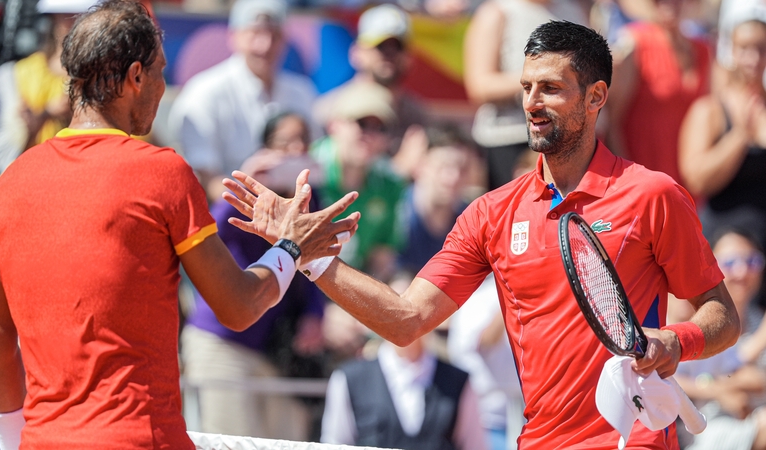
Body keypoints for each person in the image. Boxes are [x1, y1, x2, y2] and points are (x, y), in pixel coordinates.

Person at [225, 20, 741, 449]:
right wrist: (307, 256)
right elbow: (407, 321)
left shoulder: (653, 194)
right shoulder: (490, 213)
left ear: (596, 96)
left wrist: (676, 340)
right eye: (525, 88)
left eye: (551, 88)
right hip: (538, 441)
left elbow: (721, 312)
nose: (532, 103)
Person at [0, 2, 359, 449]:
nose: (162, 87)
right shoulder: (162, 172)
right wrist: (292, 248)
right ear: (136, 76)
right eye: (160, 71)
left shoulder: (8, 184)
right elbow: (237, 306)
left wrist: (10, 440)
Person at [180, 112, 324, 441]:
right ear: (266, 148)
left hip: (277, 346)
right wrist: (247, 181)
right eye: (285, 142)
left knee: (286, 442)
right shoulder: (248, 192)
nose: (296, 149)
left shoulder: (309, 199)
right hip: (223, 340)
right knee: (232, 442)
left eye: (303, 141)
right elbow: (207, 235)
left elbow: (315, 264)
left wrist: (315, 316)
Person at [168, 0, 318, 201]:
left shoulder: (303, 92)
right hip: (230, 222)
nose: (265, 45)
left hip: (292, 214)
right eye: (254, 33)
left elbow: (315, 163)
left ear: (284, 39)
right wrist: (249, 200)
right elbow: (205, 177)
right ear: (234, 36)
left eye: (274, 35)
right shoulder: (204, 93)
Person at [320, 272, 487, 450]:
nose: (404, 318)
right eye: (393, 307)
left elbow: (475, 446)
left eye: (412, 308)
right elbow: (333, 443)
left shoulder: (459, 381)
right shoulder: (350, 378)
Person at [464, 0, 586, 189]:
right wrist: (545, 79)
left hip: (565, 138)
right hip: (510, 139)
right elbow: (480, 86)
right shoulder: (497, 13)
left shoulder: (574, 12)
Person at [673, 226, 766, 450]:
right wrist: (721, 386)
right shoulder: (697, 318)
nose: (742, 272)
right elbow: (672, 375)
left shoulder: (758, 318)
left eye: (752, 261)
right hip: (708, 428)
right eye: (731, 263)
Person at [679, 17, 766, 251]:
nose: (754, 58)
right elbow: (696, 179)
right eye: (746, 48)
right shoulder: (710, 111)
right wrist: (740, 136)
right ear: (732, 51)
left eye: (761, 48)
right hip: (725, 247)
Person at [312, 4, 428, 178]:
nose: (389, 54)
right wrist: (399, 171)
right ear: (356, 52)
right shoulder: (328, 109)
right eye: (380, 46)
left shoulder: (417, 117)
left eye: (397, 47)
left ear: (409, 57)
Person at [604, 0, 711, 186]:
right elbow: (613, 121)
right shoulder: (634, 42)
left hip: (690, 177)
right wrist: (628, 179)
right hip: (645, 175)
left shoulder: (702, 49)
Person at [0, 0, 95, 176]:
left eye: (83, 15)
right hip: (37, 178)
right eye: (67, 14)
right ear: (53, 18)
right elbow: (8, 160)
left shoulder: (108, 77)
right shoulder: (19, 75)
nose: (75, 22)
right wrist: (44, 116)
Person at [311, 81, 406, 280]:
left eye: (380, 128)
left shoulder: (390, 184)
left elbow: (382, 259)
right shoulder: (306, 174)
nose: (370, 135)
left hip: (353, 284)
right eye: (362, 124)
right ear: (334, 125)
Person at [447, 274, 524, 450]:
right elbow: (485, 342)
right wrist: (510, 299)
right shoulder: (477, 297)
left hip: (525, 414)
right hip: (486, 417)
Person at [395, 123, 476, 275]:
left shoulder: (471, 220)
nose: (454, 177)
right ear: (420, 166)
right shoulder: (395, 211)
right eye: (444, 166)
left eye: (463, 168)